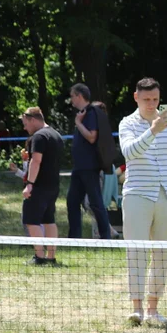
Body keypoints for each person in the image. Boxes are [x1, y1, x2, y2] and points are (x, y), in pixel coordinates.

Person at [119, 78, 167, 323]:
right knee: (136, 252)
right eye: (146, 99)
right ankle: (137, 308)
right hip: (137, 193)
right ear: (136, 97)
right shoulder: (127, 123)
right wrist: (152, 131)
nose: (152, 104)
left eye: (155, 99)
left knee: (163, 253)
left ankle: (152, 308)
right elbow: (130, 152)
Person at [66, 83, 111, 240]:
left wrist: (78, 123)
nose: (71, 100)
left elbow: (92, 137)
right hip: (79, 167)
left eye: (72, 96)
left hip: (89, 166)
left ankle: (106, 237)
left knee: (96, 203)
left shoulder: (91, 113)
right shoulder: (83, 113)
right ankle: (74, 238)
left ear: (79, 95)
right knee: (72, 201)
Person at [19, 107, 63, 266]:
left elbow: (36, 161)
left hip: (38, 186)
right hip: (53, 186)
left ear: (33, 119)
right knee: (49, 220)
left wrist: (29, 184)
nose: (25, 128)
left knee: (31, 220)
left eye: (25, 123)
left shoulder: (39, 136)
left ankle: (39, 257)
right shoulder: (56, 135)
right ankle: (51, 257)